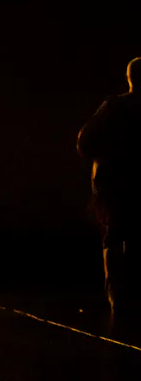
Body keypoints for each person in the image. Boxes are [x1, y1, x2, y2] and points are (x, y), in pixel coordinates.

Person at [77, 57, 141, 329]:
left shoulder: (113, 107)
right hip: (128, 183)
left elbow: (85, 141)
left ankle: (118, 296)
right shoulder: (116, 107)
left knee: (115, 236)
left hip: (115, 184)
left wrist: (105, 162)